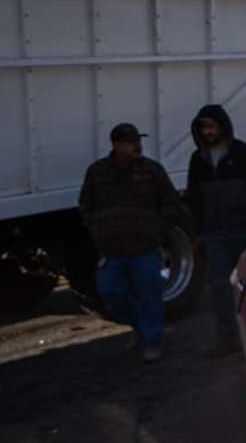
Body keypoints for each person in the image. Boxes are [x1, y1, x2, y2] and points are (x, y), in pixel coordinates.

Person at [78, 123, 181, 362]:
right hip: (112, 249)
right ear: (116, 144)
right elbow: (85, 204)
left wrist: (157, 232)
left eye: (137, 140)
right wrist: (97, 230)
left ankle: (152, 342)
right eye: (130, 141)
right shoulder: (98, 172)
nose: (137, 145)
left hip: (144, 247)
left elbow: (170, 202)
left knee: (150, 294)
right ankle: (140, 326)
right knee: (110, 292)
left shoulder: (151, 170)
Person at [187, 104, 246, 356]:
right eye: (204, 127)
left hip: (244, 232)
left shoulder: (245, 154)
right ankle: (227, 339)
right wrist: (197, 233)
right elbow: (194, 200)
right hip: (214, 235)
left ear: (223, 126)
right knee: (220, 290)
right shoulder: (198, 160)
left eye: (212, 126)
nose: (208, 132)